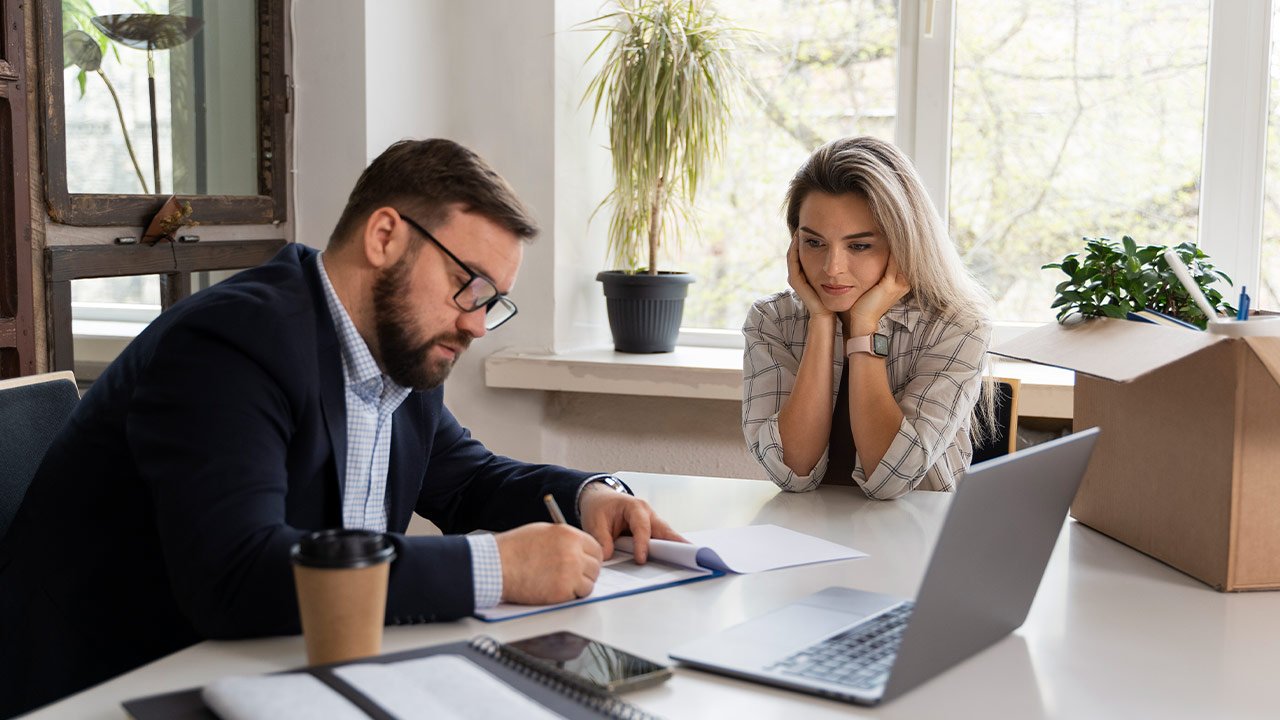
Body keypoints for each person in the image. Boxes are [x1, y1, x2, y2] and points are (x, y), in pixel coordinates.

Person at [0, 139, 681, 716]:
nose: (476, 321)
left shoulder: (397, 353)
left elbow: (469, 480)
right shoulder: (234, 341)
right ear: (384, 237)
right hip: (111, 691)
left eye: (492, 303)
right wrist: (496, 568)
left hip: (278, 677)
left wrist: (593, 494)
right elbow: (235, 576)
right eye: (468, 285)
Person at [742, 136, 994, 500]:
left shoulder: (958, 326)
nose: (832, 269)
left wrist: (863, 328)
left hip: (916, 540)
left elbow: (893, 477)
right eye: (814, 243)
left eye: (859, 246)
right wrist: (821, 321)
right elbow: (791, 471)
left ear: (904, 244)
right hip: (804, 537)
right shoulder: (772, 320)